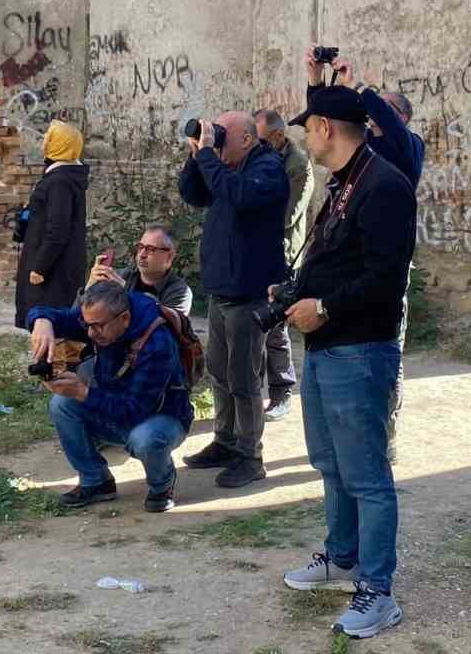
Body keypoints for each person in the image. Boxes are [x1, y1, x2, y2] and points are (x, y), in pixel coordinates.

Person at [279, 69, 416, 640]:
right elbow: (339, 260)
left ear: (326, 128)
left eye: (308, 129)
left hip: (358, 349)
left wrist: (325, 308)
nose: (305, 139)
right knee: (331, 464)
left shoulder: (383, 185)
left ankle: (378, 591)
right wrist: (294, 293)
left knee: (367, 476)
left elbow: (385, 280)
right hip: (329, 348)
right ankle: (341, 557)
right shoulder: (345, 180)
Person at [177, 110, 289, 489]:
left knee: (243, 377)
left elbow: (239, 196)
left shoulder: (268, 168)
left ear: (246, 139)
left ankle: (250, 455)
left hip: (249, 291)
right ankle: (225, 442)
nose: (218, 143)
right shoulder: (223, 167)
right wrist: (197, 155)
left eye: (224, 137)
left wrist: (210, 155)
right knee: (220, 372)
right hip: (221, 289)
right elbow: (192, 194)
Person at [26, 281, 193, 513]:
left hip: (162, 417)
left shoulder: (157, 343)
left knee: (145, 439)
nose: (90, 334)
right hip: (116, 406)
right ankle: (96, 482)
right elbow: (56, 316)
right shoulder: (100, 319)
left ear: (124, 319)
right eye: (86, 325)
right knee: (62, 405)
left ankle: (162, 485)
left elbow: (135, 412)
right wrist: (41, 321)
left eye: (97, 327)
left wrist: (84, 393)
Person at [356, 72, 425, 461]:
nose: (372, 116)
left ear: (401, 116)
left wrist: (365, 92)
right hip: (355, 262)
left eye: (382, 109)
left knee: (387, 355)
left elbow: (393, 133)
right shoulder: (364, 147)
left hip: (389, 266)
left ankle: (387, 435)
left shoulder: (409, 146)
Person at [254, 108, 315, 421]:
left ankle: (281, 393)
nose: (256, 144)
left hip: (281, 253)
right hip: (254, 251)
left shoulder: (298, 165)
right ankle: (252, 392)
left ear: (278, 135)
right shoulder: (259, 158)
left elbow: (291, 214)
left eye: (261, 139)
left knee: (276, 326)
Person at [15, 121, 90, 329]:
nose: (45, 139)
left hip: (53, 268)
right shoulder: (62, 176)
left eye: (50, 136)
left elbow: (58, 228)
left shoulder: (60, 181)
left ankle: (47, 362)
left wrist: (40, 266)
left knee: (48, 322)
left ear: (60, 144)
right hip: (54, 263)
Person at [85, 224, 193, 316]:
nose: (142, 254)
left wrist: (124, 290)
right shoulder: (121, 275)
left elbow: (163, 326)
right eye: (140, 247)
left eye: (151, 249)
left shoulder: (180, 292)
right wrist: (89, 288)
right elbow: (78, 317)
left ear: (169, 257)